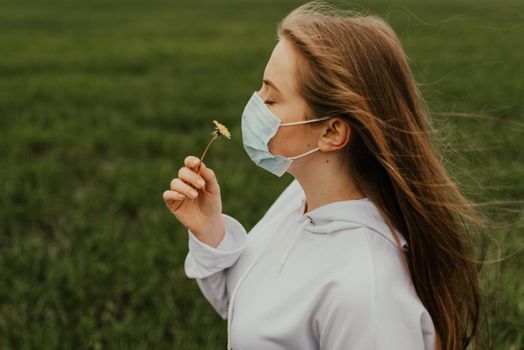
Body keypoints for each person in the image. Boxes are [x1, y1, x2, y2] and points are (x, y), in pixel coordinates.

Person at [163, 2, 484, 349]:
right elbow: (247, 312)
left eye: (270, 98)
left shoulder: (364, 290)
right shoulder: (299, 201)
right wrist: (210, 231)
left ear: (331, 132)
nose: (254, 104)